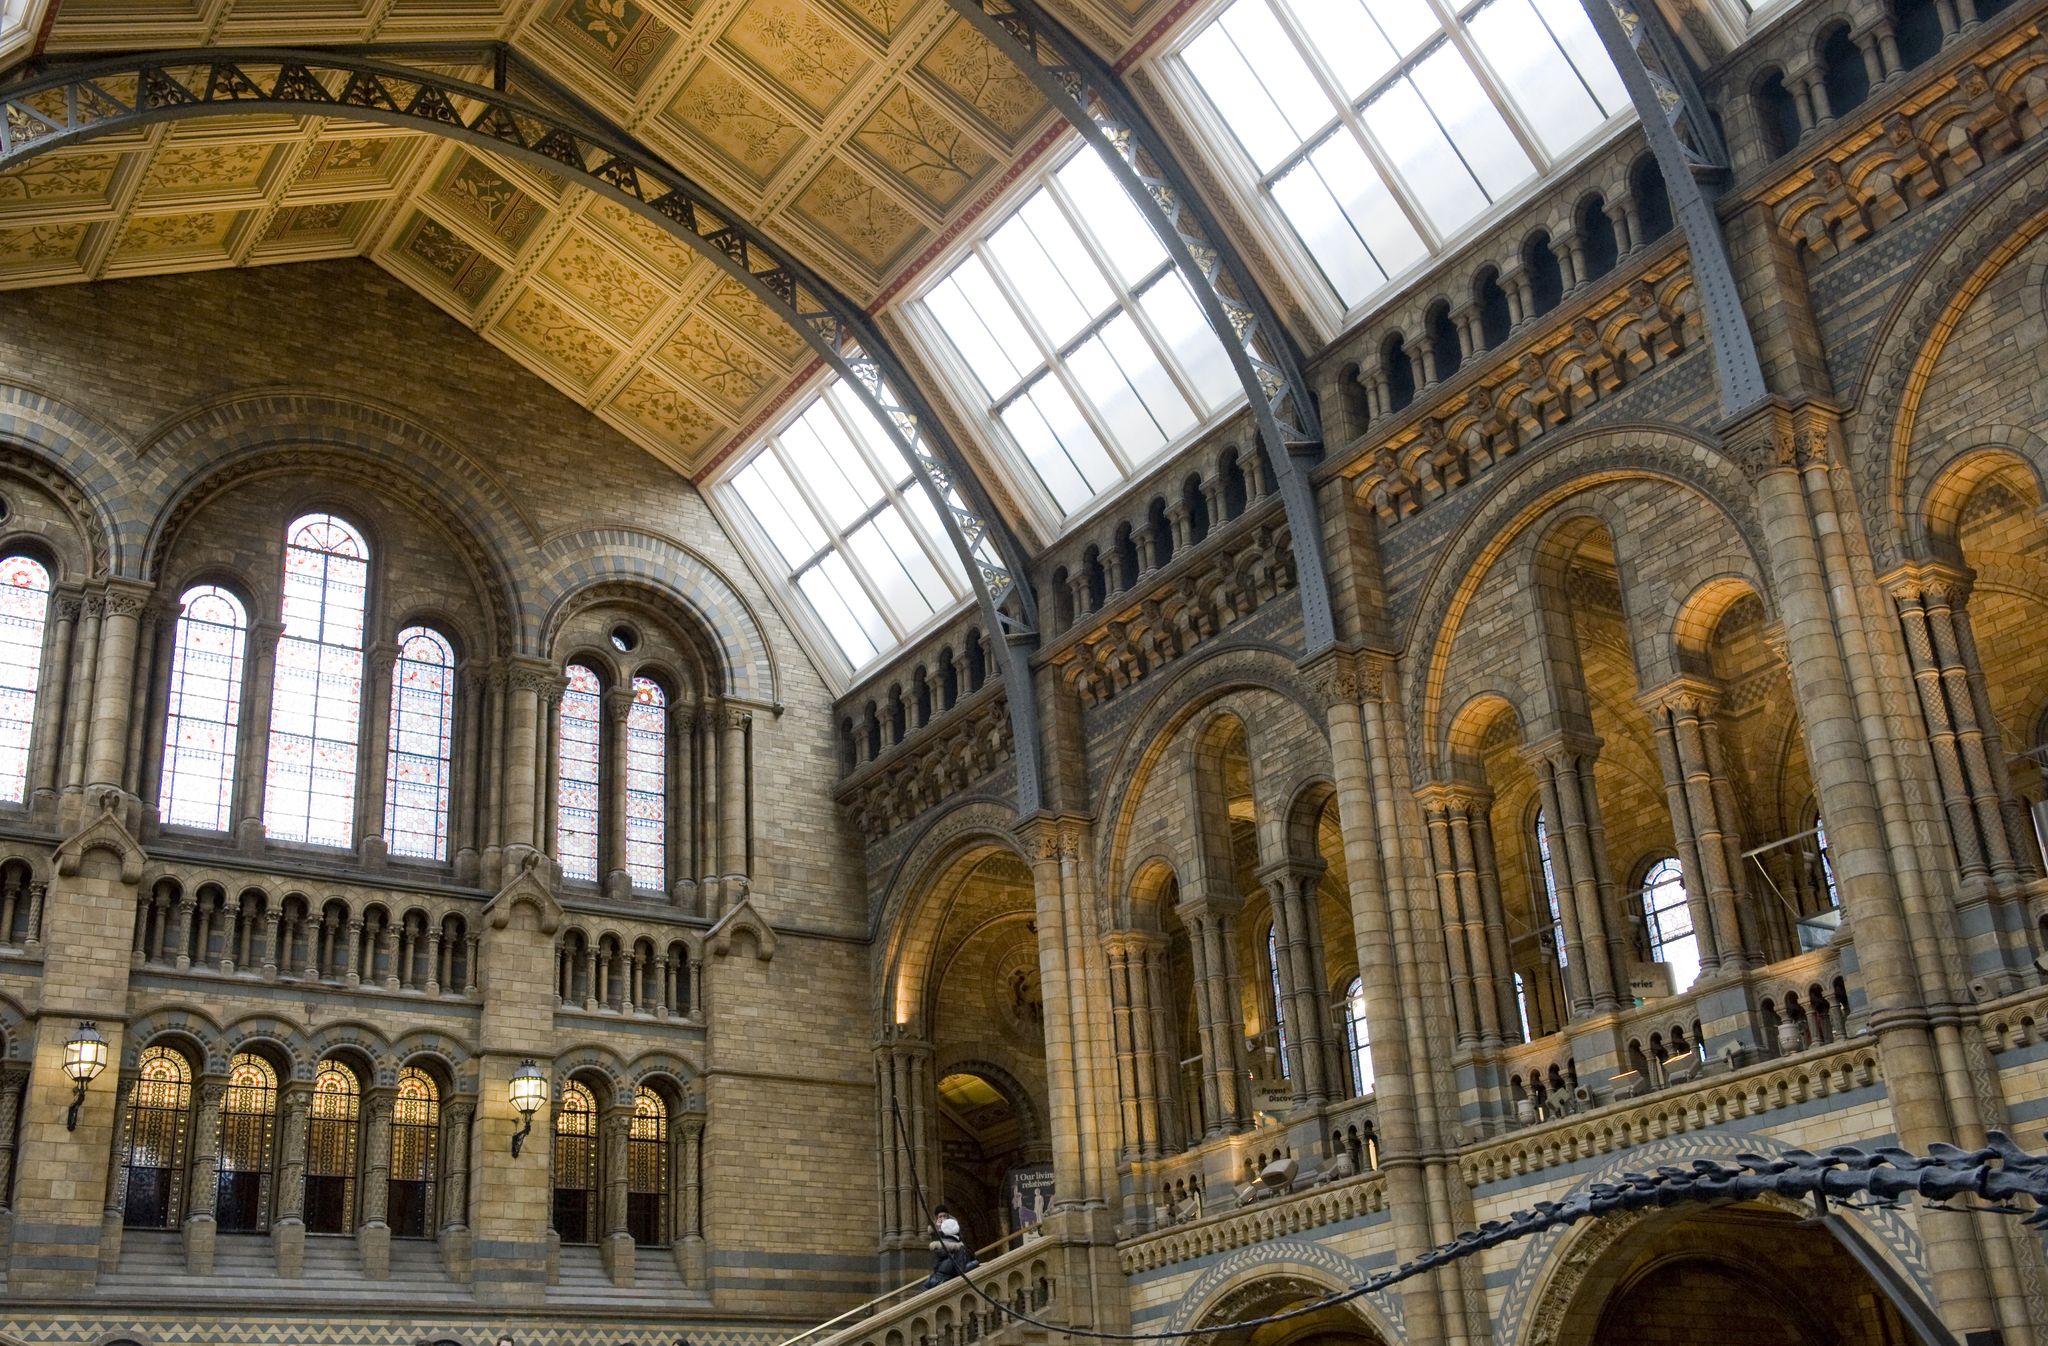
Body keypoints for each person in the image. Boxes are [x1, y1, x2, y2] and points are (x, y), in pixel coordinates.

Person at [924, 1205, 977, 1288]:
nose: (942, 1219)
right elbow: (938, 1251)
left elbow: (960, 1239)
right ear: (936, 1218)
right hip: (942, 1271)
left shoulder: (954, 1227)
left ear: (948, 1216)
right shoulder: (935, 1230)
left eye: (944, 1216)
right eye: (940, 1216)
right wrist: (938, 1229)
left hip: (949, 1268)